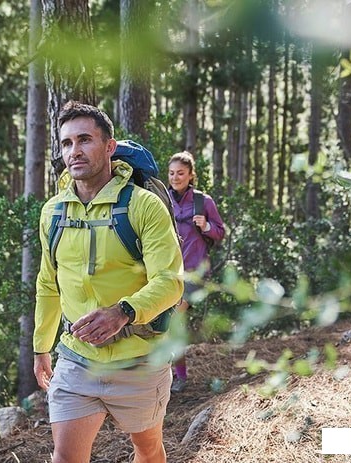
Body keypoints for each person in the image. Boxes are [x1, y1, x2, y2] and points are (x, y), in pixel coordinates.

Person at [33, 101, 184, 463]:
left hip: (140, 359)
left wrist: (123, 312)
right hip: (76, 359)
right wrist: (41, 347)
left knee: (147, 450)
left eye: (85, 139)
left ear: (109, 147)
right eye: (67, 143)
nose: (75, 151)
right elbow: (48, 283)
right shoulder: (53, 212)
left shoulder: (143, 206)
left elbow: (170, 281)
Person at [167, 151, 225, 393]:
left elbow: (220, 232)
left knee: (172, 318)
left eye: (181, 173)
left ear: (191, 175)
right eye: (171, 173)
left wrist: (207, 225)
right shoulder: (163, 199)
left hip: (195, 274)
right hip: (169, 273)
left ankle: (177, 376)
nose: (175, 177)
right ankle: (174, 375)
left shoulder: (203, 201)